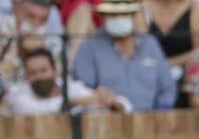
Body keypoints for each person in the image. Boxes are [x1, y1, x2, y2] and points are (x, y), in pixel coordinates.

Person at [72, 0, 178, 110]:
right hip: (107, 115)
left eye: (124, 14)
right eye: (113, 15)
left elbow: (168, 88)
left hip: (149, 116)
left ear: (133, 15)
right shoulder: (90, 46)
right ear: (104, 16)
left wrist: (158, 113)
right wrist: (103, 100)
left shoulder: (149, 44)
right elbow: (82, 89)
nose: (118, 19)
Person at [2, 44, 131, 112]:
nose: (39, 77)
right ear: (26, 76)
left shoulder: (72, 87)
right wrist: (78, 102)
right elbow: (38, 110)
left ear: (55, 71)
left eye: (43, 71)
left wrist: (110, 101)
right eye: (32, 73)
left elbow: (126, 106)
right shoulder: (19, 94)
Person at [143, 0, 199, 107]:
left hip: (185, 74)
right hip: (151, 73)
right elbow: (142, 49)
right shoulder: (143, 8)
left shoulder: (194, 8)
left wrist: (169, 63)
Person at [0, 0, 64, 95]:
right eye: (31, 16)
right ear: (19, 11)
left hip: (34, 95)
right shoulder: (2, 29)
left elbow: (57, 79)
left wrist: (39, 52)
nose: (36, 24)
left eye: (43, 19)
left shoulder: (52, 43)